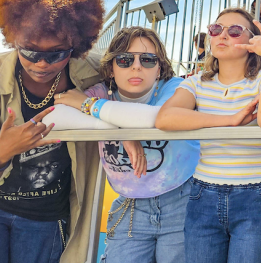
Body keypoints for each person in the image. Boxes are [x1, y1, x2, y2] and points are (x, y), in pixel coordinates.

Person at [51, 26, 199, 263]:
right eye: (125, 59)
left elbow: (155, 118)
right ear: (111, 67)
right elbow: (52, 117)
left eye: (148, 59)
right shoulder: (101, 92)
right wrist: (119, 132)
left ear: (159, 67)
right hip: (130, 207)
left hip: (183, 202)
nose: (137, 66)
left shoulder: (176, 88)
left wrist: (92, 108)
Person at [156, 7, 261, 263]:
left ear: (251, 42)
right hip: (204, 194)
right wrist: (229, 121)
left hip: (257, 194)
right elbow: (165, 118)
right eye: (216, 29)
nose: (222, 35)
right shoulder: (196, 83)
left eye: (234, 31)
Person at [0, 0, 105, 263]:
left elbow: (155, 75)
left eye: (57, 53)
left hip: (46, 221)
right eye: (30, 51)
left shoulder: (98, 73)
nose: (42, 63)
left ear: (76, 46)